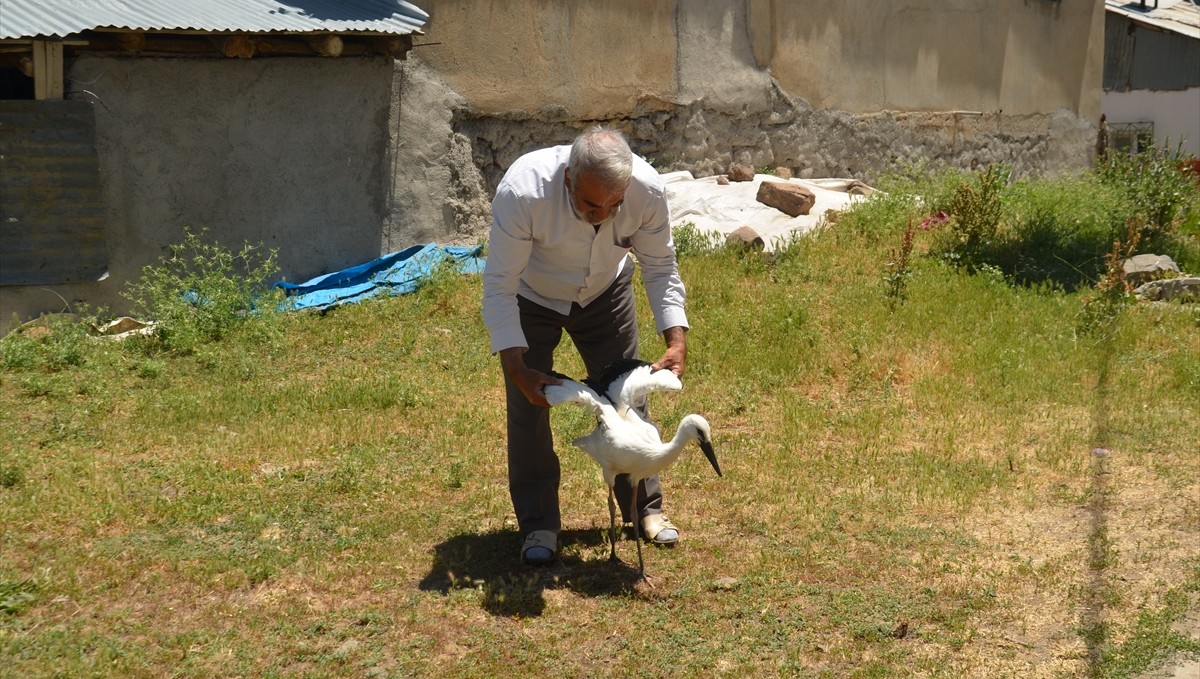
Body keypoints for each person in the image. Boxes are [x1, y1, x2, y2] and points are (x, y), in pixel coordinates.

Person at [481, 127, 690, 566]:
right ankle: (539, 525)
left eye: (615, 206)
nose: (602, 216)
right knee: (528, 408)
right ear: (568, 180)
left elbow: (660, 266)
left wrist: (675, 338)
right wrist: (517, 367)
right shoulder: (523, 191)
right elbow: (500, 285)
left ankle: (645, 511)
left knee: (630, 399)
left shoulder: (647, 189)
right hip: (532, 296)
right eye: (591, 205)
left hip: (606, 292)